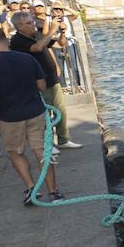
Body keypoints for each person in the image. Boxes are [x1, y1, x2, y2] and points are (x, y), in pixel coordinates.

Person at [0, 27, 60, 204]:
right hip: (35, 110)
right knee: (42, 151)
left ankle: (31, 188)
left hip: (8, 115)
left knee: (16, 152)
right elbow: (42, 85)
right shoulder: (26, 58)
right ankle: (54, 191)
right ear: (6, 40)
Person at [9, 11, 78, 150]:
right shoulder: (17, 40)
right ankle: (48, 143)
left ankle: (63, 139)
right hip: (37, 82)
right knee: (44, 113)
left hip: (52, 78)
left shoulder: (38, 35)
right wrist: (51, 30)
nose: (33, 25)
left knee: (60, 110)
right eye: (29, 23)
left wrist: (62, 32)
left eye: (32, 22)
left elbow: (60, 44)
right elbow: (38, 47)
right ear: (20, 26)